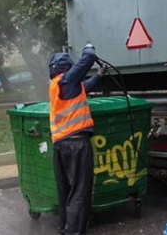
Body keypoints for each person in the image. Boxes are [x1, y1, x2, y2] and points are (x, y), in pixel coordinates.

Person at [48, 44, 106, 235]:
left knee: (65, 190)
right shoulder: (67, 80)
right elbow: (88, 57)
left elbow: (85, 87)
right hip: (77, 144)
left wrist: (98, 76)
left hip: (61, 145)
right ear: (68, 68)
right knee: (80, 190)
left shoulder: (60, 85)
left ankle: (65, 228)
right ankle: (74, 232)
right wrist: (89, 47)